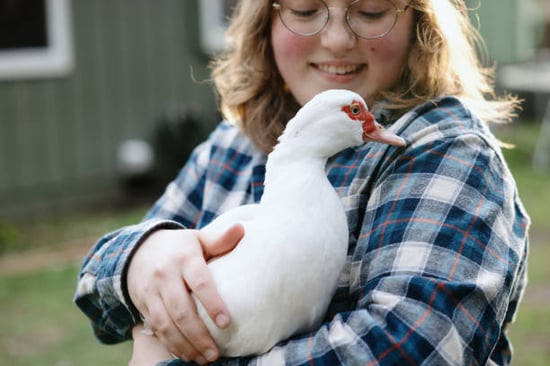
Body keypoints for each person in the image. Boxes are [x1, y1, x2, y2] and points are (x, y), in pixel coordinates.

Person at [74, 0, 530, 365]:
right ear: (265, 18)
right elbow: (98, 293)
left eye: (370, 11)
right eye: (305, 11)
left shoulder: (444, 153)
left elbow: (416, 345)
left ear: (420, 21)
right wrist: (141, 259)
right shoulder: (232, 147)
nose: (335, 40)